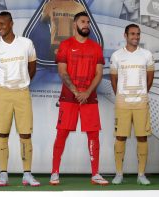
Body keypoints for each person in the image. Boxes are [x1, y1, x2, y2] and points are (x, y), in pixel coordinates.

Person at [49, 11, 108, 185]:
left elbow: (99, 73)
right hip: (69, 97)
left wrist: (87, 92)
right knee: (62, 133)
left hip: (89, 97)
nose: (86, 25)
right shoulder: (65, 45)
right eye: (83, 21)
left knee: (93, 134)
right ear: (75, 24)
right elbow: (62, 71)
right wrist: (76, 92)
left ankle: (95, 174)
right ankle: (54, 172)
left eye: (88, 22)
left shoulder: (96, 47)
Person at [0, 11, 40, 187]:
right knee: (2, 134)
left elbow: (33, 67)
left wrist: (22, 84)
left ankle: (27, 174)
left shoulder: (26, 43)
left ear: (11, 24)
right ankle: (3, 174)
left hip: (22, 93)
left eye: (2, 24)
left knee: (26, 134)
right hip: (4, 94)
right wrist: (4, 87)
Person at [110, 24, 154, 185]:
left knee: (142, 137)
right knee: (120, 136)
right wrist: (121, 95)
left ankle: (141, 174)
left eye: (138, 34)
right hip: (123, 103)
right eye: (133, 34)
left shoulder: (146, 55)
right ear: (126, 35)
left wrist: (142, 94)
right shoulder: (116, 56)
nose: (136, 37)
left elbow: (150, 78)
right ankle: (119, 173)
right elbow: (113, 79)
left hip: (141, 103)